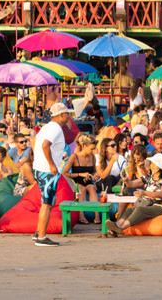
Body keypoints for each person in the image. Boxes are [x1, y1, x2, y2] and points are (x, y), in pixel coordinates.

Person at [32, 102, 73, 247]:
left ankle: (38, 232)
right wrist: (50, 164)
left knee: (48, 201)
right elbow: (44, 145)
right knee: (47, 203)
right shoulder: (55, 128)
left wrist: (38, 159)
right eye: (67, 114)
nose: (68, 116)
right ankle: (41, 237)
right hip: (47, 170)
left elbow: (35, 142)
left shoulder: (46, 127)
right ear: (61, 115)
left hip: (40, 168)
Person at [105, 153, 162, 237]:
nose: (152, 166)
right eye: (152, 163)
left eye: (155, 164)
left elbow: (161, 194)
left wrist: (144, 193)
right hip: (146, 204)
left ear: (160, 167)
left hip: (159, 206)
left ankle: (120, 228)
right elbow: (131, 184)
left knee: (139, 209)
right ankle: (115, 228)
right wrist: (126, 180)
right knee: (130, 210)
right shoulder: (148, 177)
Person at [63, 133, 101, 224]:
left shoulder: (92, 157)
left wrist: (96, 174)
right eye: (91, 149)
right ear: (84, 146)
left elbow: (94, 171)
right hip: (76, 180)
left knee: (91, 188)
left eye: (94, 149)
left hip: (88, 180)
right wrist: (81, 174)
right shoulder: (74, 157)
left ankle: (97, 216)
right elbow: (64, 173)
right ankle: (81, 216)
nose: (93, 151)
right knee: (81, 189)